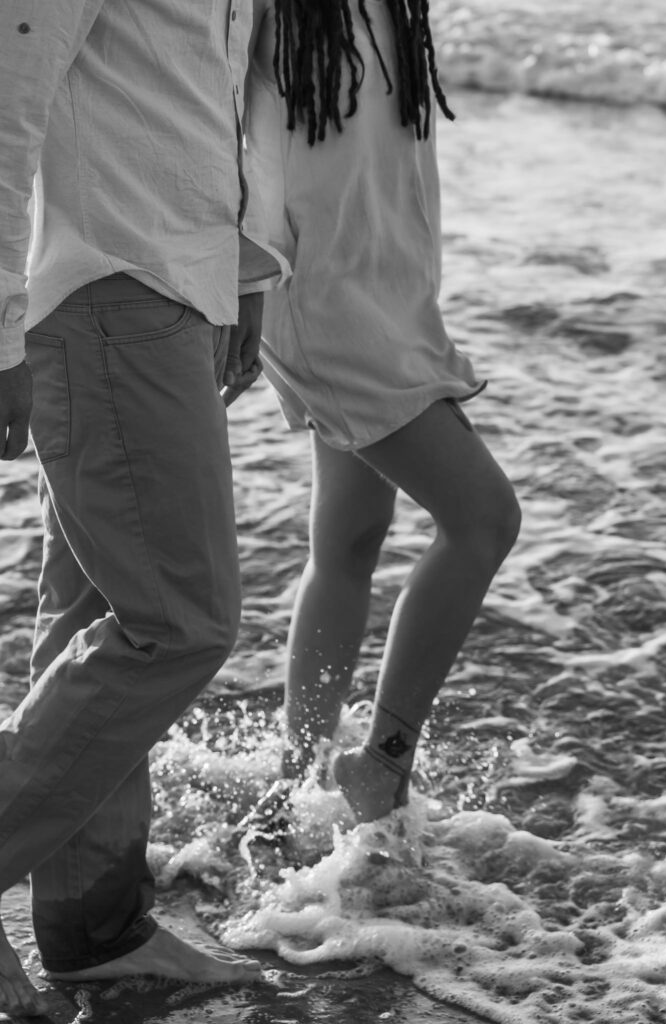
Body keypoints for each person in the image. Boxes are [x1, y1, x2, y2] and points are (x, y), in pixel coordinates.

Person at [0, 0, 288, 1016]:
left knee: (95, 616)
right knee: (181, 619)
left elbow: (198, 94)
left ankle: (91, 927)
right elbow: (8, 102)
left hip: (169, 284)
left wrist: (240, 271)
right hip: (107, 291)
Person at [240, 0, 521, 827]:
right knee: (483, 519)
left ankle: (292, 779)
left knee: (350, 536)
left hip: (391, 290)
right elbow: (206, 130)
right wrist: (240, 282)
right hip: (320, 294)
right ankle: (382, 764)